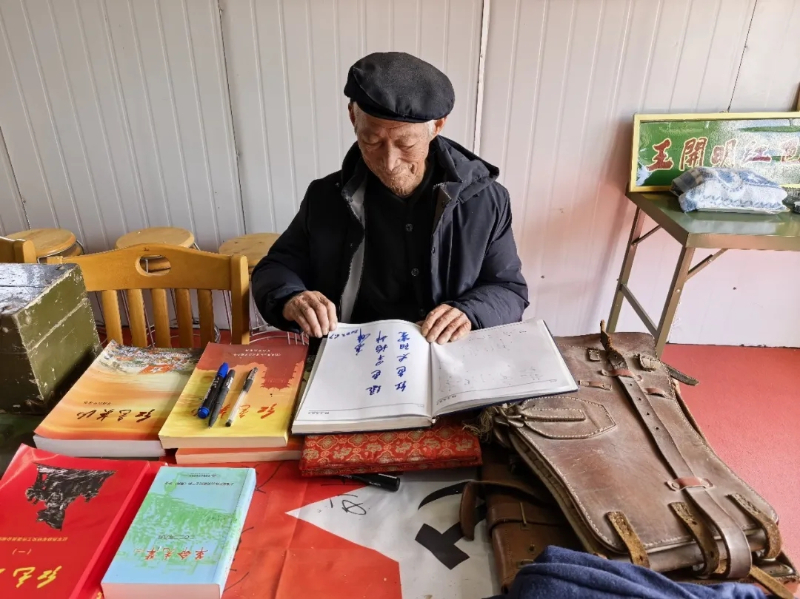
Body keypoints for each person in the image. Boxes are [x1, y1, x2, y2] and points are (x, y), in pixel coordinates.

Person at [252, 52, 528, 344]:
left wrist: (469, 312)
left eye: (406, 144)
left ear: (437, 126)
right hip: (351, 351)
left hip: (447, 352)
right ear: (352, 116)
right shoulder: (326, 197)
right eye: (371, 141)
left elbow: (508, 289)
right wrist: (291, 297)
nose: (389, 162)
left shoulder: (485, 201)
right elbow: (276, 267)